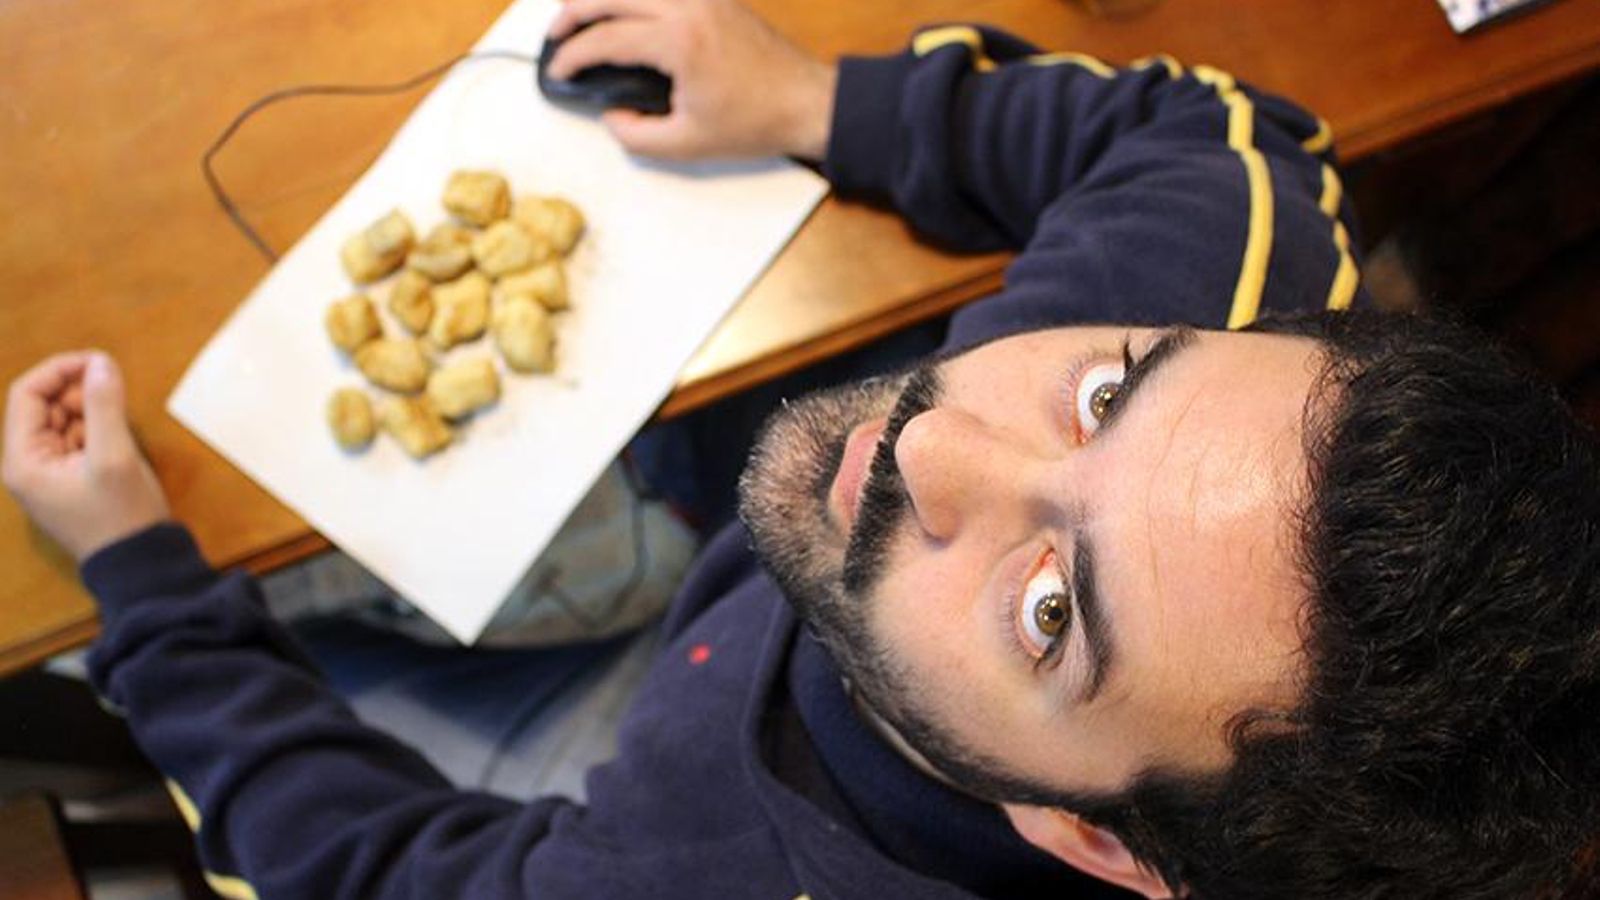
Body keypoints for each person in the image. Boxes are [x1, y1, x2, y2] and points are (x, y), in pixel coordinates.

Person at [6, 0, 1600, 897]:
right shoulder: (1240, 340)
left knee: (83, 668)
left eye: (1053, 608)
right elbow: (1228, 138)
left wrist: (143, 578)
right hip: (704, 599)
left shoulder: (676, 881)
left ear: (1095, 841)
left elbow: (363, 873)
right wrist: (815, 98)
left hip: (585, 767)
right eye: (1112, 393)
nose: (932, 440)